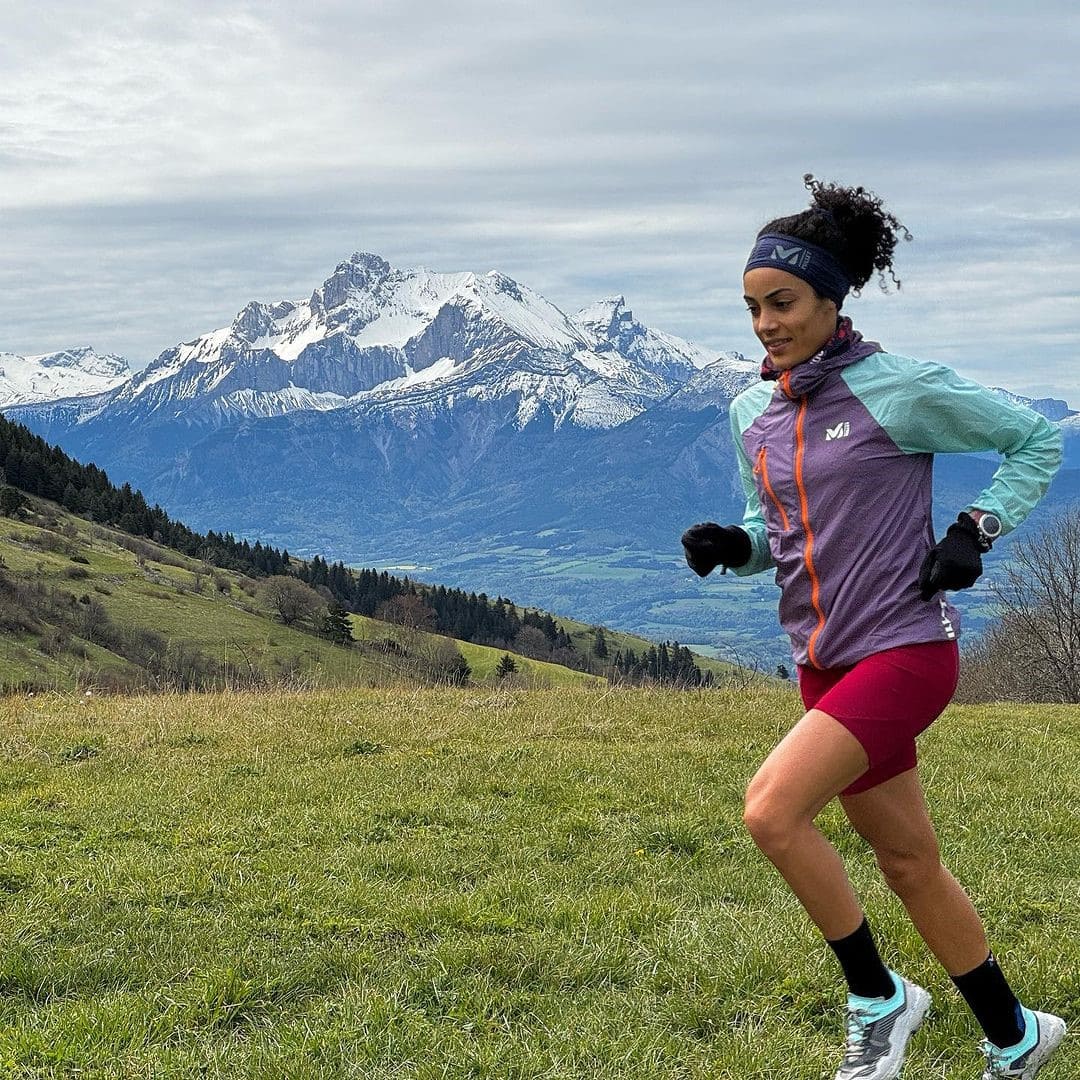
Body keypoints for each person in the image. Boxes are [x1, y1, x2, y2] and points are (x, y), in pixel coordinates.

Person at [681, 176, 1066, 1080]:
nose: (766, 324)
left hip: (906, 648)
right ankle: (1016, 1036)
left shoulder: (898, 389)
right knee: (907, 861)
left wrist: (976, 531)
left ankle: (879, 998)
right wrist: (729, 546)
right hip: (821, 659)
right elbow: (770, 536)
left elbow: (1034, 438)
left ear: (829, 299)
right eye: (751, 308)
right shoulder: (755, 414)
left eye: (782, 303)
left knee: (772, 812)